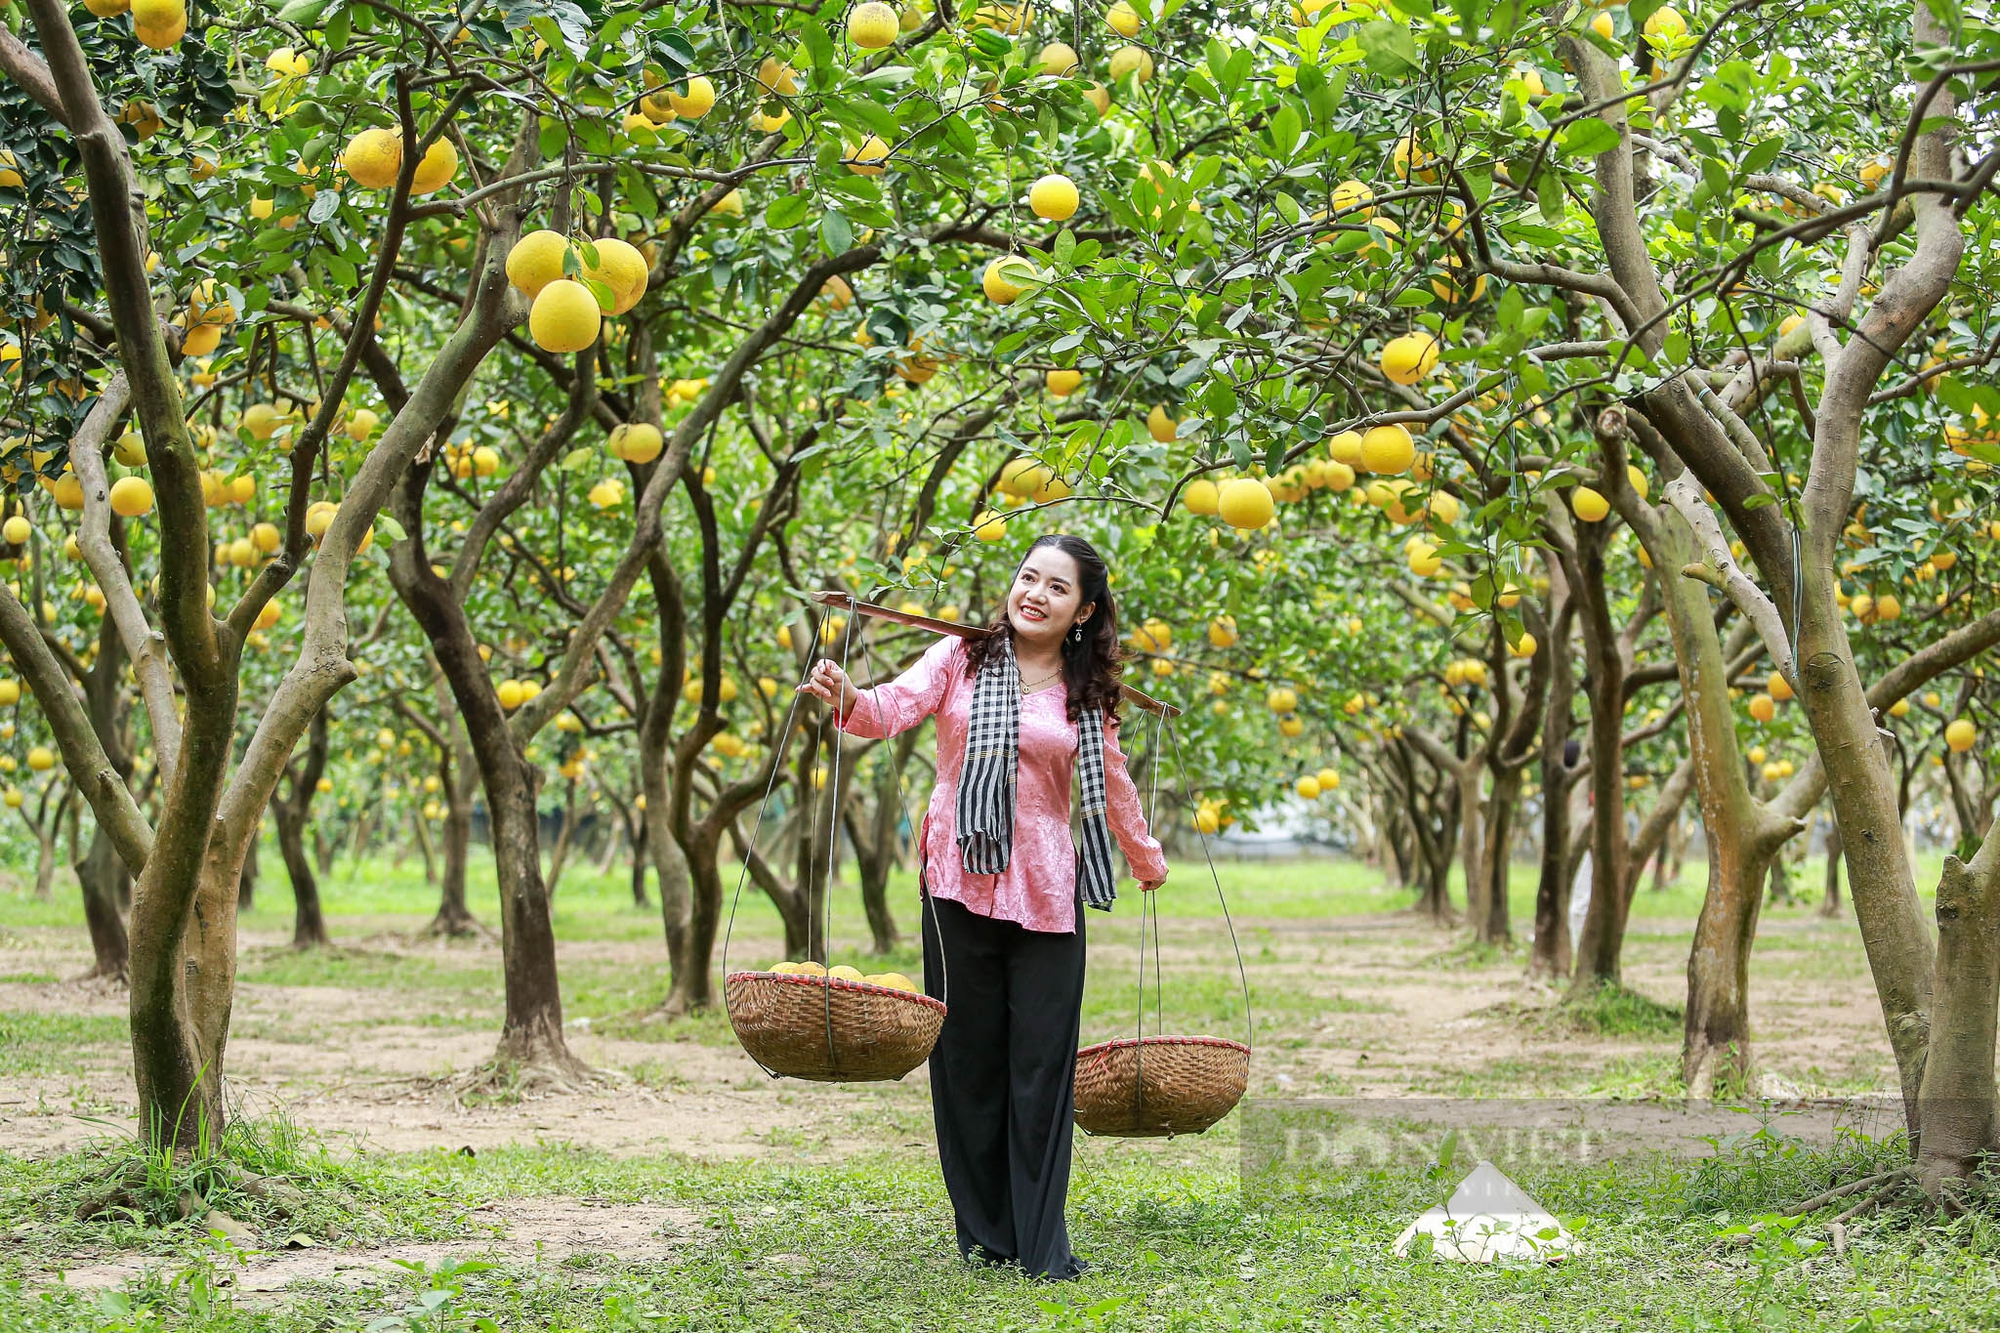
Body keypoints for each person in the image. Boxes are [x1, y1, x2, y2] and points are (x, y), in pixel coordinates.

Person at [799, 533, 1168, 1281]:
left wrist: (1144, 857)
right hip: (959, 876)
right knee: (967, 1061)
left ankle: (1042, 1242)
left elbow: (1115, 783)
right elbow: (892, 706)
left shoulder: (1087, 693)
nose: (1034, 592)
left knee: (1041, 1067)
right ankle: (987, 1233)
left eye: (1056, 587)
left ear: (1084, 610)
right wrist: (847, 699)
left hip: (1047, 891)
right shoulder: (960, 658)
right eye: (1028, 576)